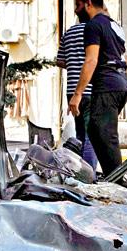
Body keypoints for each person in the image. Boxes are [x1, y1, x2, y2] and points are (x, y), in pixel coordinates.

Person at [69, 0, 127, 174]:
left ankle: (118, 180)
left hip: (107, 84)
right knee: (97, 131)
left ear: (88, 3)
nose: (75, 10)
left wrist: (77, 94)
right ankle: (114, 176)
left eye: (78, 5)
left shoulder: (93, 26)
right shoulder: (114, 26)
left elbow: (91, 59)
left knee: (104, 133)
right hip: (121, 83)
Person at [56, 15, 96, 168]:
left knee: (80, 134)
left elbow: (60, 61)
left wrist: (74, 63)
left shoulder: (68, 32)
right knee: (91, 136)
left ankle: (78, 171)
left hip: (72, 90)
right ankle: (89, 173)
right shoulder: (95, 31)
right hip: (90, 89)